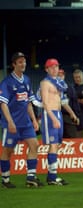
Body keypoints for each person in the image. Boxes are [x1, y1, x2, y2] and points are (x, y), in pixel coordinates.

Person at [0, 52, 43, 188]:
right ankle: (5, 180)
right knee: (8, 151)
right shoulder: (7, 82)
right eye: (19, 62)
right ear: (14, 65)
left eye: (24, 61)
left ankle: (31, 177)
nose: (23, 64)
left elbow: (28, 102)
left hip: (26, 123)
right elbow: (3, 104)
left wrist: (34, 120)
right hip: (12, 123)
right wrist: (10, 122)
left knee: (34, 145)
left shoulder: (27, 80)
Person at [36, 58, 79, 185]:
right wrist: (53, 118)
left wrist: (72, 114)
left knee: (56, 144)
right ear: (47, 69)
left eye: (56, 67)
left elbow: (62, 101)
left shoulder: (58, 83)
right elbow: (45, 102)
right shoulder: (45, 83)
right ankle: (52, 177)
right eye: (52, 67)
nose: (55, 69)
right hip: (50, 114)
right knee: (53, 144)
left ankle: (52, 175)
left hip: (58, 113)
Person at [58, 69, 80, 138]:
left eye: (62, 75)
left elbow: (75, 102)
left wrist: (76, 115)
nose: (60, 77)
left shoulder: (69, 88)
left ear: (64, 76)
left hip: (68, 117)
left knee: (72, 138)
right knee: (57, 140)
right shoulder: (50, 87)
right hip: (56, 116)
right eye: (58, 75)